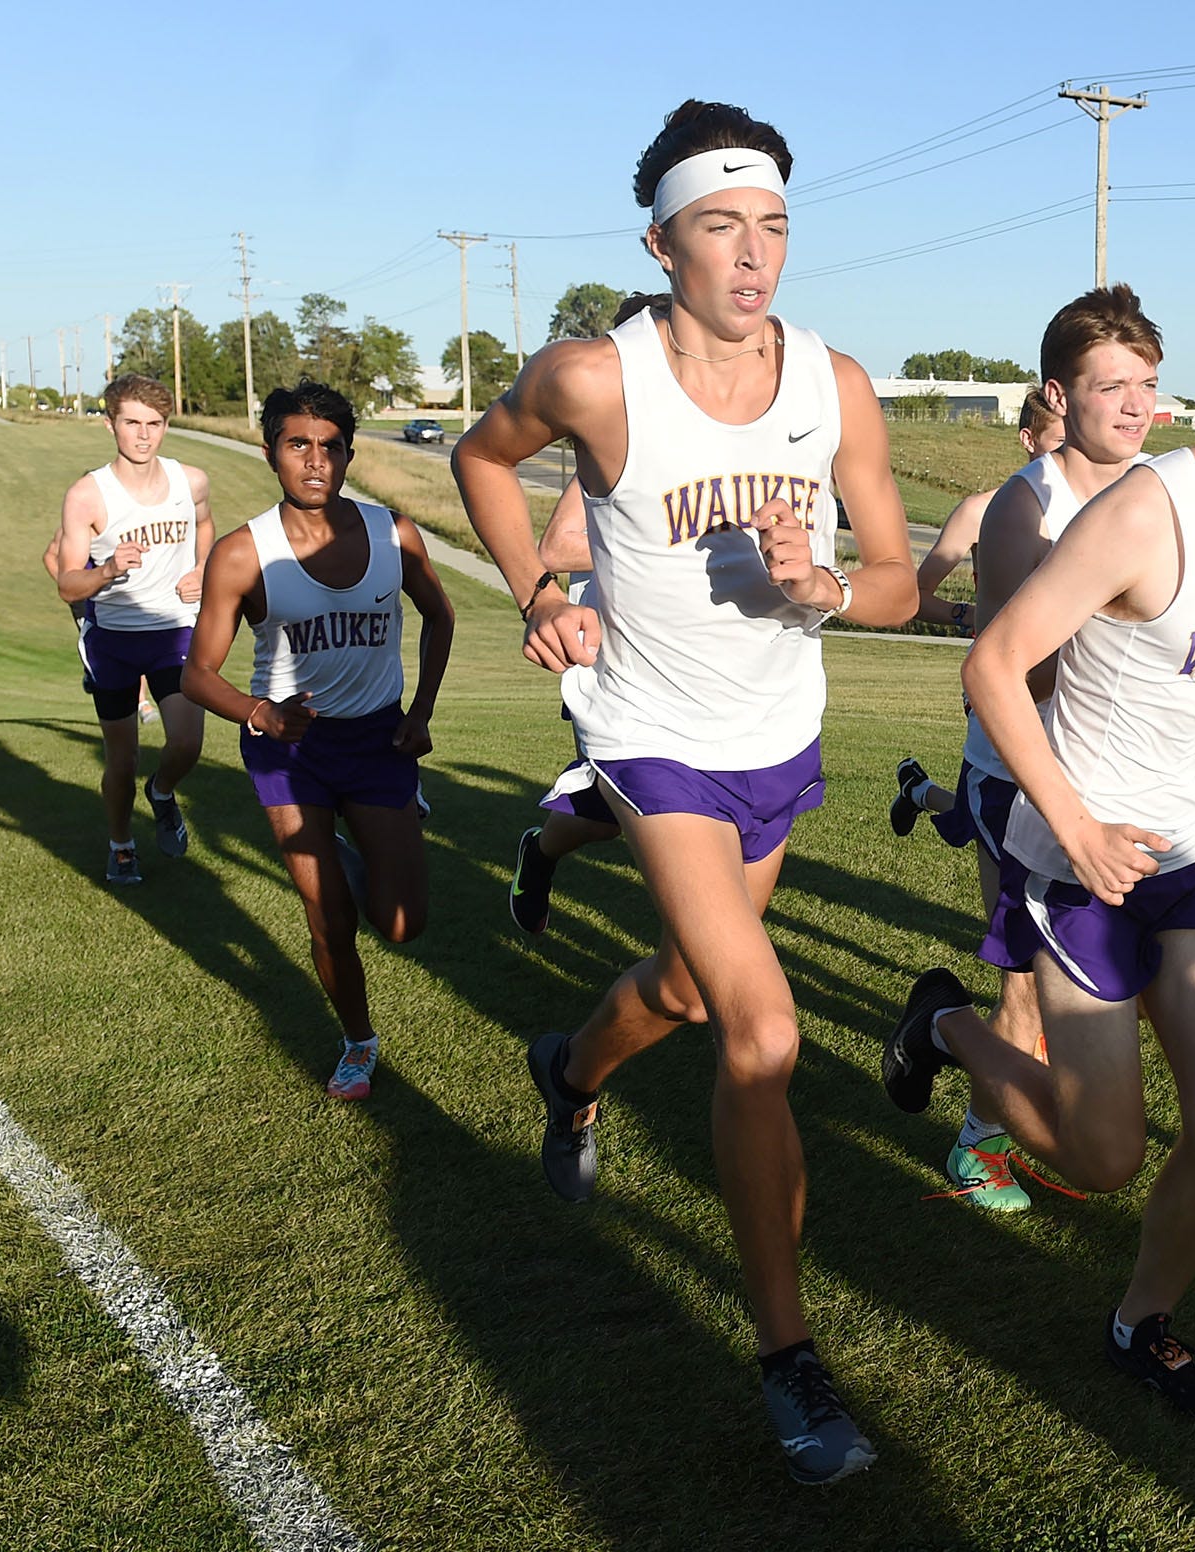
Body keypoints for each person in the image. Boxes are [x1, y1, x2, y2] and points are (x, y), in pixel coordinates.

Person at [454, 99, 915, 1486]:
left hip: (778, 740)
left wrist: (824, 585)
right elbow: (481, 457)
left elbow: (899, 585)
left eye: (773, 225)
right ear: (661, 245)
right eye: (722, 226)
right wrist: (538, 592)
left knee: (690, 988)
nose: (754, 253)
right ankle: (790, 1362)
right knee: (761, 1030)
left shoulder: (834, 385)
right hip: (649, 738)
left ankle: (570, 1069)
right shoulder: (596, 379)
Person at [882, 268, 1195, 1414]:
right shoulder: (1145, 509)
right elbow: (994, 665)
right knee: (1102, 1156)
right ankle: (944, 1024)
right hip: (1083, 858)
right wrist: (1075, 825)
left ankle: (1141, 1320)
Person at [892, 287, 1165, 1214]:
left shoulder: (1158, 490)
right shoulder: (1022, 507)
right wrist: (1106, 600)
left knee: (1113, 985)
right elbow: (1025, 675)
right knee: (1027, 992)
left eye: (1147, 384)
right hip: (1022, 780)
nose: (1136, 405)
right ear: (1058, 394)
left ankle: (989, 1093)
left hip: (1121, 777)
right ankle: (975, 1130)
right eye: (1112, 385)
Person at [184, 381, 453, 1103]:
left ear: (349, 455)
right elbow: (196, 674)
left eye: (331, 447)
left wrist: (421, 712)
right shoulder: (242, 553)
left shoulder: (394, 534)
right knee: (329, 916)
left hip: (377, 741)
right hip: (289, 750)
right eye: (297, 444)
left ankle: (346, 840)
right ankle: (358, 1043)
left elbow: (441, 616)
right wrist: (260, 714)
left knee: (403, 924)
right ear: (270, 452)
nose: (315, 461)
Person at [506, 292, 668, 936]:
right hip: (613, 657)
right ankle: (541, 852)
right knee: (614, 812)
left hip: (687, 655)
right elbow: (556, 546)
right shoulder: (612, 450)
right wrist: (660, 545)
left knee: (668, 804)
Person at [54, 373, 214, 884]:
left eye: (155, 423)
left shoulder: (191, 481)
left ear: (166, 425)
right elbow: (67, 583)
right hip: (114, 640)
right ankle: (121, 844)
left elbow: (205, 524)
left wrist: (202, 568)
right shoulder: (87, 495)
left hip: (175, 629)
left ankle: (162, 792)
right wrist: (106, 570)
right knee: (122, 760)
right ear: (110, 425)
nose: (144, 435)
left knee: (186, 743)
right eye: (132, 423)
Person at [887, 386, 1063, 840]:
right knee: (995, 813)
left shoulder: (1097, 511)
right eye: (1061, 441)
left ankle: (918, 790)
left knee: (1017, 813)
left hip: (1068, 678)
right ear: (1028, 439)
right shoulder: (982, 510)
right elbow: (916, 595)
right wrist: (969, 616)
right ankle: (920, 791)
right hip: (1003, 674)